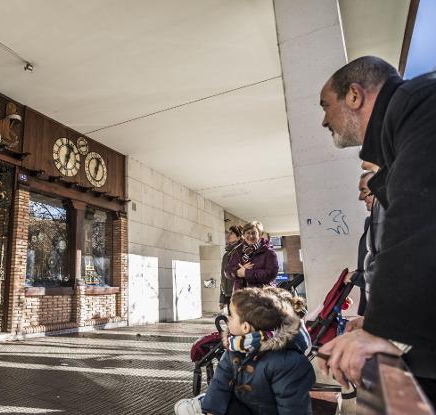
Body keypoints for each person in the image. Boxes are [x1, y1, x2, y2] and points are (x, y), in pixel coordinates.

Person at [318, 56, 436, 403]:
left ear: (354, 95)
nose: (324, 119)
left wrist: (381, 329)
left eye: (326, 105)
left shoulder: (419, 104)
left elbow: (421, 212)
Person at [174, 287, 315, 414]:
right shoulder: (235, 347)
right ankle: (203, 404)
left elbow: (293, 407)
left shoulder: (288, 362)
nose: (228, 319)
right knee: (217, 402)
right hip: (244, 407)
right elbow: (220, 382)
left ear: (245, 327)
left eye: (232, 316)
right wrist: (212, 410)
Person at [344, 170, 375, 315]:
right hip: (371, 304)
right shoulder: (371, 222)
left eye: (365, 191)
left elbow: (389, 270)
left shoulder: (389, 223)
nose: (361, 197)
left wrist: (357, 277)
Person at [224, 221, 278, 292]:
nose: (250, 236)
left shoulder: (269, 252)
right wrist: (237, 272)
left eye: (253, 233)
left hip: (262, 296)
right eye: (248, 233)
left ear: (260, 234)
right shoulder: (237, 251)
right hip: (240, 296)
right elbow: (227, 271)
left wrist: (246, 273)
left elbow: (271, 274)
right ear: (243, 235)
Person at [219, 225, 244, 311]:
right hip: (228, 294)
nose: (228, 235)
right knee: (232, 321)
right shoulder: (226, 255)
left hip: (239, 294)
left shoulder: (242, 252)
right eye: (228, 233)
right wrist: (222, 299)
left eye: (232, 233)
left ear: (239, 237)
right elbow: (223, 277)